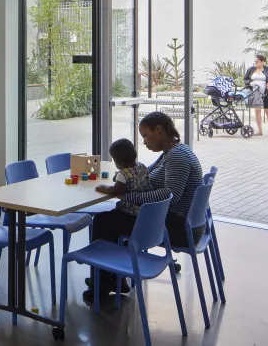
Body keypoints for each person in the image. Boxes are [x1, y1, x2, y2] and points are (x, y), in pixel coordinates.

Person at [84, 111, 204, 303]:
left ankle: (103, 285)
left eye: (146, 136)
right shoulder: (173, 152)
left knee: (104, 221)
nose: (145, 142)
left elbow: (170, 196)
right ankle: (115, 278)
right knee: (115, 216)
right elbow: (148, 175)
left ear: (159, 130)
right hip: (181, 222)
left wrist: (127, 195)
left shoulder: (177, 157)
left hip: (176, 227)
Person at [96, 138, 151, 217]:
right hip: (145, 210)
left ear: (120, 163)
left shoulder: (123, 174)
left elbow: (116, 190)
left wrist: (102, 187)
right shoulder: (142, 166)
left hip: (131, 213)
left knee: (99, 219)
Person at [244, 54, 268, 137]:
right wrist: (250, 82)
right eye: (255, 61)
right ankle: (260, 131)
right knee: (257, 111)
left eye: (257, 61)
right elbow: (245, 79)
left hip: (266, 93)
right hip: (255, 93)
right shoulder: (251, 69)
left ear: (262, 62)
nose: (255, 63)